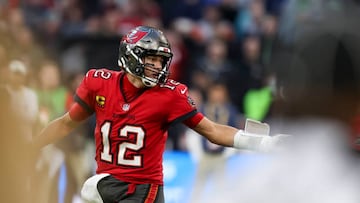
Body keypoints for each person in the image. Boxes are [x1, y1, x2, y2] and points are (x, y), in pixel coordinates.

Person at [33, 26, 285, 203]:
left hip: (143, 191)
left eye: (160, 60)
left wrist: (264, 142)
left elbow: (213, 130)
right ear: (131, 56)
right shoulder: (98, 83)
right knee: (91, 187)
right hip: (108, 182)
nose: (158, 66)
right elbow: (67, 123)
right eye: (151, 59)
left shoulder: (169, 95)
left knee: (91, 189)